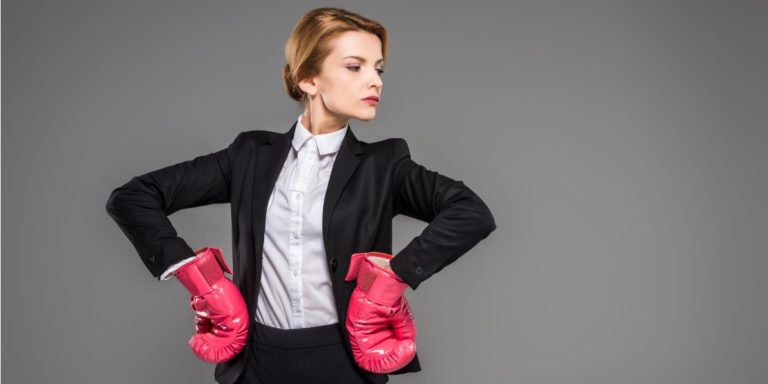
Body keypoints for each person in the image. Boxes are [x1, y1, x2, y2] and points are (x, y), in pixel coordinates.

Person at [105, 7, 496, 384]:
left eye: (378, 69)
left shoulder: (384, 165)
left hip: (341, 359)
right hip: (254, 361)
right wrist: (200, 281)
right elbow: (133, 196)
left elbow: (471, 212)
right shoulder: (249, 155)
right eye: (355, 66)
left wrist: (392, 279)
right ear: (308, 79)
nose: (376, 81)